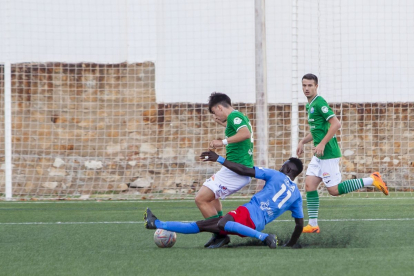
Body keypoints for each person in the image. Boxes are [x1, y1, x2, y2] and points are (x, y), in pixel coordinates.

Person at [144, 150, 304, 249]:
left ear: (288, 168)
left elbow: (242, 169)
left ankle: (264, 237)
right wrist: (290, 244)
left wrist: (219, 158)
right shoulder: (297, 195)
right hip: (257, 222)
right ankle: (157, 224)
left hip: (248, 213)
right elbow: (299, 225)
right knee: (203, 225)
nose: (280, 168)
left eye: (283, 166)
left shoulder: (275, 175)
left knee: (220, 223)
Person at [297, 73, 389, 234]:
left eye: (310, 85)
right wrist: (302, 142)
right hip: (319, 154)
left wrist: (323, 143)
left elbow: (336, 124)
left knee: (333, 190)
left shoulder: (319, 103)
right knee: (309, 185)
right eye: (304, 85)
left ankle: (371, 180)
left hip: (328, 153)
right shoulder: (309, 105)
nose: (306, 88)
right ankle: (313, 224)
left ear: (316, 86)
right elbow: (317, 130)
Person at [194, 92, 254, 247]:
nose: (216, 116)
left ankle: (220, 235)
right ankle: (220, 230)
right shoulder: (238, 118)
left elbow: (245, 133)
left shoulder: (235, 117)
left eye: (215, 112)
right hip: (233, 169)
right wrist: (222, 125)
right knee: (212, 197)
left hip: (235, 171)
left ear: (219, 107)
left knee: (200, 199)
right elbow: (237, 130)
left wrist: (222, 142)